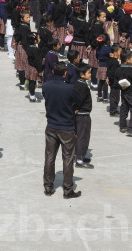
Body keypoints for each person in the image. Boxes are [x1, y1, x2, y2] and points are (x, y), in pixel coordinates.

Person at [42, 62, 80, 198]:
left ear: (53, 71)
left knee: (49, 157)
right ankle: (68, 189)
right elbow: (78, 101)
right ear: (65, 73)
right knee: (68, 159)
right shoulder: (70, 88)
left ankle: (48, 187)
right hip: (67, 127)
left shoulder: (46, 86)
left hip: (51, 125)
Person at [73, 62, 94, 170]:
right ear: (82, 75)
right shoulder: (82, 86)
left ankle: (79, 155)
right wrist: (76, 108)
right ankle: (79, 159)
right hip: (83, 115)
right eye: (88, 73)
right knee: (83, 137)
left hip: (82, 115)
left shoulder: (79, 83)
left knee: (82, 136)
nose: (90, 74)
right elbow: (78, 100)